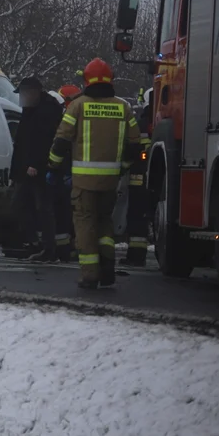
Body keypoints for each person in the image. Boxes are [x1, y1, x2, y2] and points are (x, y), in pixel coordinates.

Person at [48, 58, 142, 289]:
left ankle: (90, 274)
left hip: (83, 183)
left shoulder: (78, 105)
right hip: (110, 182)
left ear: (87, 81)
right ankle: (108, 268)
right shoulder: (123, 107)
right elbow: (135, 145)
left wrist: (53, 165)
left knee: (85, 225)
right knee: (104, 224)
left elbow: (62, 140)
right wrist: (123, 167)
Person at [10, 76, 64, 262]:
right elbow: (23, 141)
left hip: (39, 169)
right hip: (26, 169)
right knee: (22, 205)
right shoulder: (31, 109)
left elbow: (44, 140)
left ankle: (47, 247)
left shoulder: (47, 110)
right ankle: (35, 243)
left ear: (33, 92)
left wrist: (34, 163)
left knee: (43, 208)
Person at [50, 84, 82, 262]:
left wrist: (53, 167)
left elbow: (60, 144)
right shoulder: (74, 116)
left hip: (68, 173)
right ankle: (69, 249)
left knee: (67, 214)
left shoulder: (70, 118)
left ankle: (66, 250)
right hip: (76, 174)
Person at [124, 90, 154, 267]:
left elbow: (131, 150)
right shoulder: (166, 123)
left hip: (138, 179)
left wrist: (123, 167)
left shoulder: (140, 124)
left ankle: (136, 255)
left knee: (136, 216)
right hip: (160, 182)